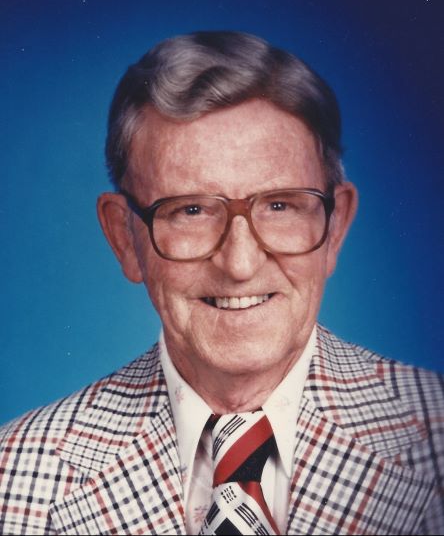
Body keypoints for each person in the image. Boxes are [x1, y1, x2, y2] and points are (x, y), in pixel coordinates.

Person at [0, 31, 443, 536]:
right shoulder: (13, 479)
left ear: (335, 226)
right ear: (124, 237)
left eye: (279, 205)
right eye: (190, 210)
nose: (239, 264)